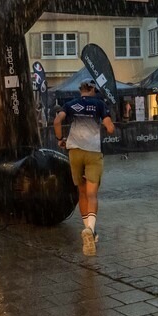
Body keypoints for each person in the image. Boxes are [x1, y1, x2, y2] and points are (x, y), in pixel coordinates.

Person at [53, 80, 115, 257]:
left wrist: (60, 139)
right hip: (93, 152)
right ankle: (91, 230)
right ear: (93, 89)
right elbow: (110, 128)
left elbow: (57, 121)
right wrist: (106, 125)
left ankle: (87, 229)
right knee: (92, 194)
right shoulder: (99, 104)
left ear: (80, 90)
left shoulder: (71, 104)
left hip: (75, 152)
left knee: (81, 193)